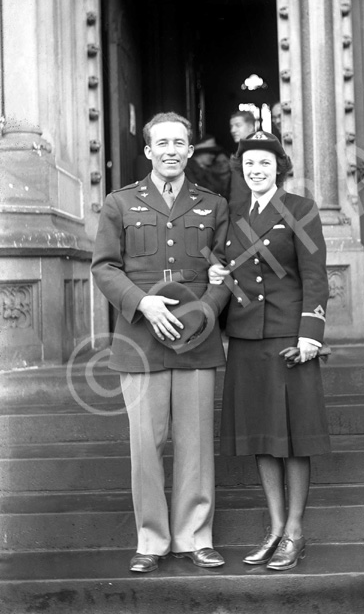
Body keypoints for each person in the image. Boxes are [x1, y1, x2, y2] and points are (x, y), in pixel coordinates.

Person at [91, 112, 230, 573]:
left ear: (190, 151)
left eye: (179, 143)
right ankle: (151, 541)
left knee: (195, 444)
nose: (171, 150)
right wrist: (142, 304)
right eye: (162, 143)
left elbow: (225, 271)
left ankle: (195, 536)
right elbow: (105, 267)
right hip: (140, 340)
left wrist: (206, 311)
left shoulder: (214, 205)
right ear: (149, 151)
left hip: (197, 340)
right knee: (145, 447)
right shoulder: (120, 203)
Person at [209, 131, 330, 571]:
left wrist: (310, 335)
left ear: (278, 168)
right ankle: (275, 529)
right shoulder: (235, 215)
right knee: (263, 435)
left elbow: (315, 275)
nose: (256, 170)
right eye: (248, 165)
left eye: (264, 164)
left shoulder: (300, 209)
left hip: (288, 336)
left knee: (294, 438)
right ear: (241, 171)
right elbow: (222, 272)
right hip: (245, 337)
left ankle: (296, 532)